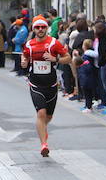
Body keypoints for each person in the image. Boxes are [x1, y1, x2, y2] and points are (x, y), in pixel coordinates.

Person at [22, 15, 70, 157]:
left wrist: (55, 59)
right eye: (37, 27)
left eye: (43, 27)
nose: (40, 29)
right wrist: (24, 63)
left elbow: (68, 58)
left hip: (51, 85)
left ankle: (42, 128)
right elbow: (24, 57)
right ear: (34, 29)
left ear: (46, 28)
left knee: (48, 116)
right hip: (35, 84)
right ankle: (44, 145)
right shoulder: (29, 44)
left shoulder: (54, 43)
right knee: (41, 113)